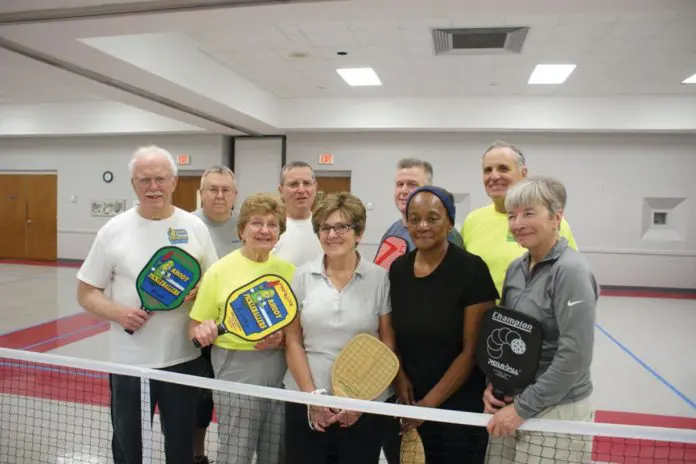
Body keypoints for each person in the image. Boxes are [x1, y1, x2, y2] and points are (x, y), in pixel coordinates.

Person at [76, 145, 219, 464]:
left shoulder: (195, 228)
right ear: (133, 184)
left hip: (184, 360)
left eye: (159, 179)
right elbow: (86, 292)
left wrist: (201, 291)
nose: (153, 187)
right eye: (144, 180)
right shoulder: (113, 230)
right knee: (129, 446)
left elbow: (214, 282)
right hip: (129, 365)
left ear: (174, 182)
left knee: (181, 447)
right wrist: (119, 313)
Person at [484, 176, 598, 464]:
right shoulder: (516, 269)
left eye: (529, 213)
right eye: (512, 215)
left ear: (556, 217)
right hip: (513, 403)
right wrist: (495, 386)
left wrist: (523, 407)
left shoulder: (571, 271)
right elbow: (506, 334)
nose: (518, 223)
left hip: (557, 408)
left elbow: (575, 355)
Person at [384, 186, 499, 464]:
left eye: (433, 218)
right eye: (414, 218)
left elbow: (471, 352)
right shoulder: (398, 270)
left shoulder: (472, 270)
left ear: (449, 222)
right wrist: (400, 380)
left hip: (456, 408)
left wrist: (428, 406)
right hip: (407, 404)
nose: (422, 225)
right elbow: (392, 335)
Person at [283, 192, 395, 464]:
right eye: (324, 227)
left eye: (342, 227)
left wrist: (360, 400)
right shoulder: (300, 276)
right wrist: (312, 398)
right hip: (306, 402)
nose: (332, 234)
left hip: (364, 406)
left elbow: (387, 344)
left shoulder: (380, 279)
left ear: (359, 233)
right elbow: (293, 341)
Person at [189, 192, 294, 464]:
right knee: (237, 452)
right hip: (235, 367)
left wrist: (282, 338)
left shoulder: (288, 271)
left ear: (279, 233)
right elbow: (195, 326)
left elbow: (295, 326)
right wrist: (202, 331)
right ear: (242, 230)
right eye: (256, 223)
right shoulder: (219, 271)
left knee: (275, 452)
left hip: (279, 367)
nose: (265, 230)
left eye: (273, 224)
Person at [461, 141, 578, 296]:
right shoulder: (472, 220)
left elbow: (571, 279)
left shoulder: (550, 222)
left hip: (531, 316)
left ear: (523, 173)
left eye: (503, 168)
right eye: (487, 170)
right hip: (482, 316)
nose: (494, 176)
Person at [192, 165, 242, 464]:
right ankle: (197, 454)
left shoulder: (244, 225)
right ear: (202, 193)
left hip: (237, 332)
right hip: (198, 330)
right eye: (213, 189)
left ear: (235, 195)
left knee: (228, 400)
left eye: (226, 189)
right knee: (198, 398)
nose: (219, 195)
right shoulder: (187, 225)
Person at [377, 159, 464, 263]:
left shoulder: (445, 233)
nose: (403, 191)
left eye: (412, 184)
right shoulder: (392, 231)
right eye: (400, 184)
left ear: (428, 189)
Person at [273, 161, 323, 267]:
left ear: (315, 187)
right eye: (293, 184)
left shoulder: (326, 228)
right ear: (280, 190)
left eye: (307, 183)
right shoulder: (269, 228)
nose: (301, 190)